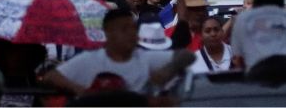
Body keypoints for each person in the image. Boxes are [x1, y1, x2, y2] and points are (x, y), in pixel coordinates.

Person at [43, 8, 193, 96]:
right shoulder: (90, 60)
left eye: (133, 28)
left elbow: (186, 56)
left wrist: (164, 73)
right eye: (124, 29)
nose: (131, 33)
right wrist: (81, 90)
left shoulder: (145, 57)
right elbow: (51, 78)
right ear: (108, 32)